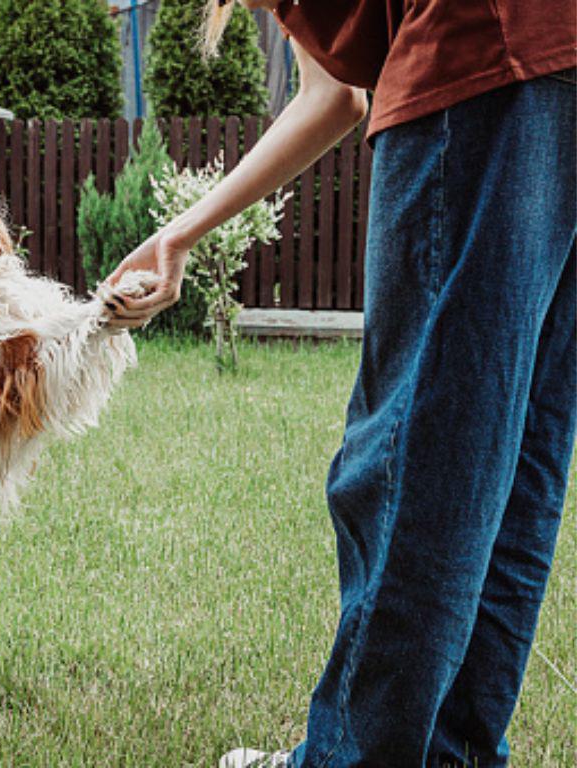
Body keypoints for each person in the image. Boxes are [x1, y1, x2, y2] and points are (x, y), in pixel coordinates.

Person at [104, 0, 576, 765]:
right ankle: (451, 753)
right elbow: (331, 98)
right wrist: (178, 235)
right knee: (512, 451)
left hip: (474, 60)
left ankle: (346, 759)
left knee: (412, 453)